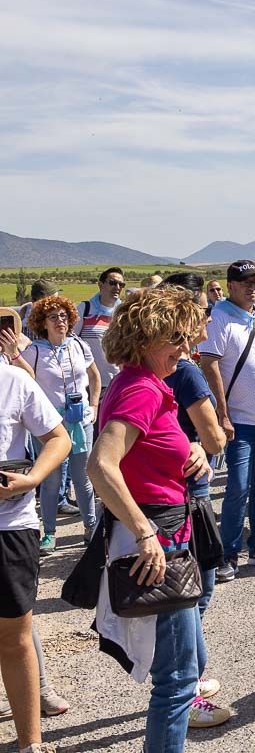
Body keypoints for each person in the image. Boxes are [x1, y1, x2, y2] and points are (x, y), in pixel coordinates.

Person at [87, 286, 220, 753]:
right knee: (178, 681)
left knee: (176, 676)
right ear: (145, 339)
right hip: (157, 539)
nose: (187, 350)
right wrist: (145, 532)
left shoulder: (143, 383)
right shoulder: (141, 388)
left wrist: (197, 451)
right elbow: (100, 464)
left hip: (166, 534)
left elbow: (156, 451)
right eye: (177, 339)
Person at [157, 274, 232, 729]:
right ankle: (190, 684)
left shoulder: (151, 370)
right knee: (196, 594)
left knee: (191, 595)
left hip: (168, 492)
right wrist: (204, 444)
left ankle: (192, 679)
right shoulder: (184, 371)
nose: (209, 317)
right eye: (204, 310)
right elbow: (214, 437)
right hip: (185, 493)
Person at [0, 336, 70, 753]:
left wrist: (33, 478)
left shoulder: (14, 381)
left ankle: (30, 744)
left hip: (10, 525)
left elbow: (58, 438)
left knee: (15, 636)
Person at [198, 261, 255, 581]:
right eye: (245, 281)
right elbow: (209, 366)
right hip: (240, 420)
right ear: (231, 285)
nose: (252, 286)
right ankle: (228, 552)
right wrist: (222, 413)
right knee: (237, 487)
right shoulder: (219, 317)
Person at [14, 296, 101, 554]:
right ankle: (49, 533)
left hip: (80, 421)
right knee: (50, 480)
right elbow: (25, 380)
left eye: (64, 316)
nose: (60, 321)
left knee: (83, 478)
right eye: (54, 317)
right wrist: (14, 355)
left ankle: (90, 526)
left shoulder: (79, 345)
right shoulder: (35, 351)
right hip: (50, 428)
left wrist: (94, 405)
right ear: (43, 322)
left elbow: (94, 376)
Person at [74, 266, 124, 403]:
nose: (117, 287)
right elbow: (71, 342)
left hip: (119, 382)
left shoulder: (124, 314)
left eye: (121, 284)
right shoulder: (85, 309)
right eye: (113, 283)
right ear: (100, 285)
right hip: (90, 384)